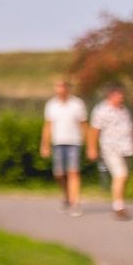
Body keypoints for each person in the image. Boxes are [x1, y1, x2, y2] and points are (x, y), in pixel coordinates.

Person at [88, 85, 133, 219]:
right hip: (110, 148)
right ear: (111, 96)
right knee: (121, 175)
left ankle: (119, 202)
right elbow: (94, 130)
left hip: (126, 148)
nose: (121, 98)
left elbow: (131, 129)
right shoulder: (101, 110)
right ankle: (118, 207)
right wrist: (92, 148)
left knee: (123, 177)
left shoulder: (124, 111)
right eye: (119, 95)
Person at [41, 76, 89, 215]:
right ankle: (66, 195)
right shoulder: (51, 105)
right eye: (57, 86)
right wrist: (44, 144)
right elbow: (48, 126)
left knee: (73, 172)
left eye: (62, 86)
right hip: (58, 142)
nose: (59, 89)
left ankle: (75, 202)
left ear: (67, 88)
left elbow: (83, 124)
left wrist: (89, 143)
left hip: (74, 142)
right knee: (59, 174)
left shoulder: (77, 104)